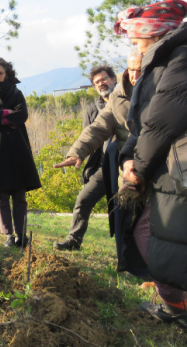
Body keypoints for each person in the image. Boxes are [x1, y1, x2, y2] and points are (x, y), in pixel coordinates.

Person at [115, 0, 187, 328]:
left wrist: (137, 169)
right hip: (164, 167)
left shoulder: (180, 58)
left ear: (155, 33)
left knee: (162, 235)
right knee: (153, 232)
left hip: (178, 168)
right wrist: (129, 157)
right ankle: (175, 303)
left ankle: (177, 305)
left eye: (136, 38)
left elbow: (162, 122)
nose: (133, 44)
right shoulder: (157, 62)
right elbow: (139, 124)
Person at [54, 51, 146, 274]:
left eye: (140, 69)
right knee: (113, 210)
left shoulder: (158, 91)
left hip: (149, 164)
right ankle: (126, 265)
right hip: (113, 167)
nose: (135, 74)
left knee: (145, 218)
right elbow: (96, 128)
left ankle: (153, 270)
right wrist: (77, 152)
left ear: (113, 79)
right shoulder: (114, 100)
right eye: (131, 69)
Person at [52, 65, 117, 250]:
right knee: (83, 199)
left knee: (124, 210)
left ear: (114, 79)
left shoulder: (124, 102)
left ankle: (130, 254)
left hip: (124, 166)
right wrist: (79, 154)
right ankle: (74, 240)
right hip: (103, 167)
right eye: (97, 82)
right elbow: (91, 134)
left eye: (104, 79)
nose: (101, 84)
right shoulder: (93, 109)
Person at [0, 58, 41, 248]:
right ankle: (8, 235)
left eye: (0, 73)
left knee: (19, 194)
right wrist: (7, 114)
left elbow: (22, 115)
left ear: (7, 74)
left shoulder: (15, 92)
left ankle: (21, 235)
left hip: (17, 146)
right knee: (1, 195)